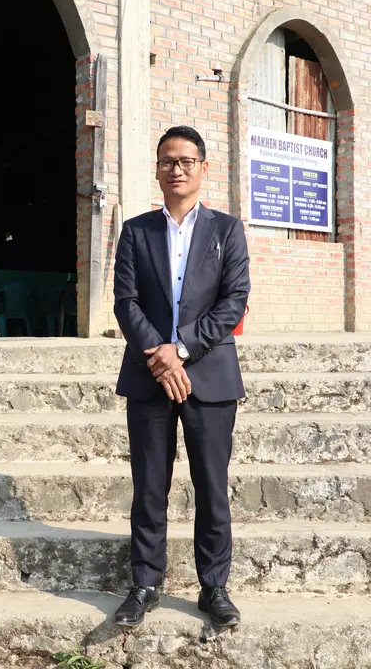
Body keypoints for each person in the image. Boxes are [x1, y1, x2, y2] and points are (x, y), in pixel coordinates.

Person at [113, 125, 250, 628]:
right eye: (168, 161)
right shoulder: (136, 231)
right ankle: (145, 583)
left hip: (209, 377)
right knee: (149, 487)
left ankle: (214, 587)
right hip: (148, 375)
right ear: (157, 170)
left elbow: (233, 300)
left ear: (203, 168)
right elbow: (125, 301)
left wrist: (182, 349)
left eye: (186, 161)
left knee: (212, 486)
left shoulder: (227, 231)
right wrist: (160, 356)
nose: (177, 169)